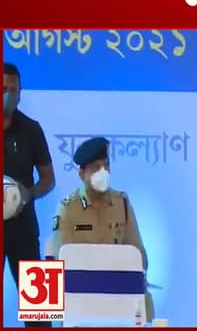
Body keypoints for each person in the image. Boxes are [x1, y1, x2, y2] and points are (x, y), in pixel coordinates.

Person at [52, 137, 155, 322]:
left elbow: (139, 255)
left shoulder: (122, 203)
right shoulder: (68, 209)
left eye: (106, 165)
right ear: (82, 173)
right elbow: (60, 264)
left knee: (144, 301)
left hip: (119, 290)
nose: (103, 172)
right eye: (95, 167)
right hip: (83, 294)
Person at [3, 62, 56, 328]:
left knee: (41, 314)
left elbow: (49, 179)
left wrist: (29, 193)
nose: (8, 95)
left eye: (13, 90)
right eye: (3, 89)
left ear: (20, 93)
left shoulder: (32, 129)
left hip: (23, 229)